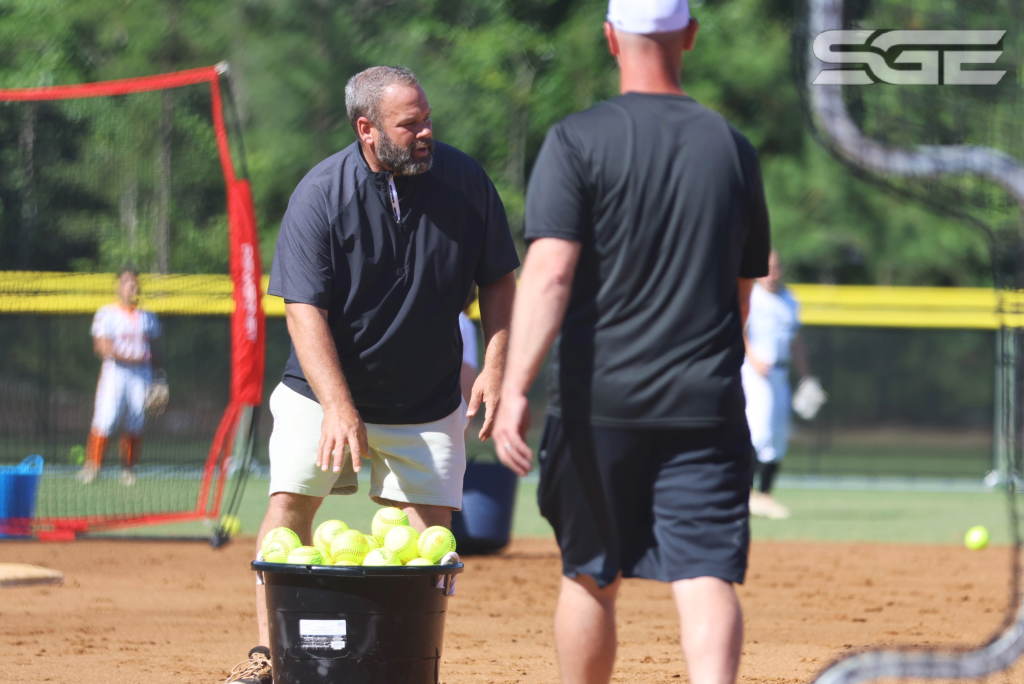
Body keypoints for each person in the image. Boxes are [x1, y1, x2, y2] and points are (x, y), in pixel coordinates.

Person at [491, 1, 771, 683]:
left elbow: (551, 273)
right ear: (690, 36)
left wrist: (515, 387)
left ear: (611, 38)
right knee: (705, 572)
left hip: (599, 403)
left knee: (590, 573)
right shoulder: (731, 146)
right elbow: (744, 290)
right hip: (704, 402)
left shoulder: (577, 139)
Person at [224, 66, 519, 684]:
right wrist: (337, 405)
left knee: (430, 541)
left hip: (427, 397)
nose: (426, 132)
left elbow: (498, 277)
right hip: (322, 392)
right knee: (288, 507)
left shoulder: (465, 181)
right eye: (410, 124)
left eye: (427, 118)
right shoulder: (321, 193)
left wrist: (495, 366)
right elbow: (303, 310)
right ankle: (269, 658)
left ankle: (405, 665)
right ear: (367, 129)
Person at [78, 266, 162, 487]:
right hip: (116, 371)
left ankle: (129, 469)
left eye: (135, 281)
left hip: (142, 374)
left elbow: (156, 348)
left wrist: (159, 377)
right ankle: (92, 467)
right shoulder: (107, 313)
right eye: (127, 281)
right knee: (106, 418)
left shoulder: (148, 316)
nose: (132, 285)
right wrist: (132, 357)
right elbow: (101, 346)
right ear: (118, 285)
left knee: (136, 421)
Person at [743, 250, 811, 520]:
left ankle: (765, 495)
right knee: (758, 432)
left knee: (779, 436)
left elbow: (796, 341)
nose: (772, 273)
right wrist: (752, 356)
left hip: (781, 373)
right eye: (766, 267)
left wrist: (806, 376)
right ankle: (745, 494)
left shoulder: (789, 300)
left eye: (776, 267)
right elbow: (737, 328)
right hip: (755, 373)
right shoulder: (751, 296)